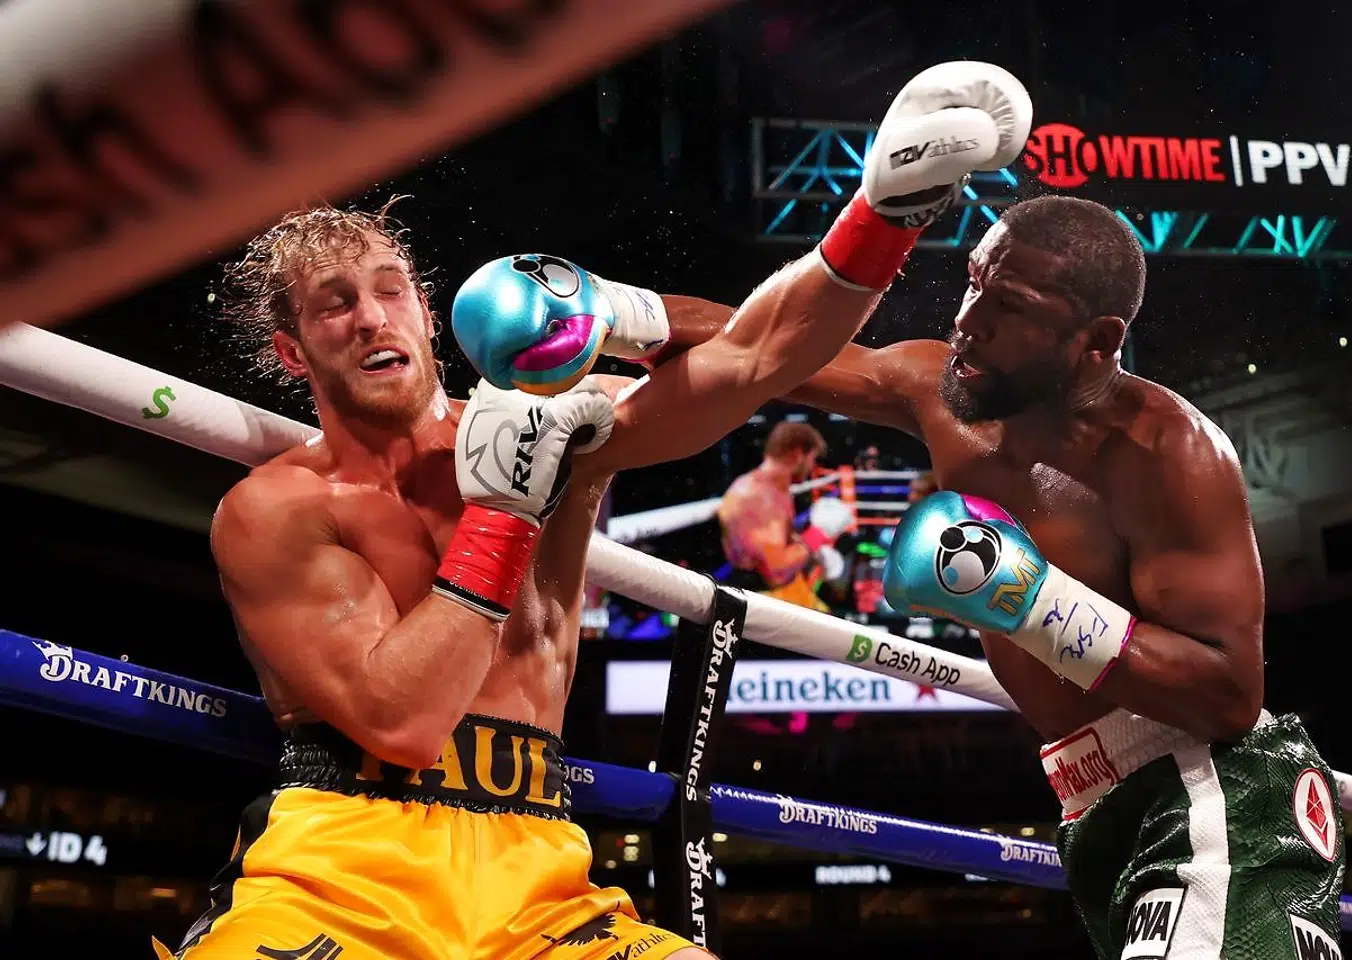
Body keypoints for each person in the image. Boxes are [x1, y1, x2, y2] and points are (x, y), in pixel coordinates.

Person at [160, 61, 1033, 960]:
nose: (371, 318)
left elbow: (752, 359)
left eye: (388, 290)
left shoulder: (557, 420)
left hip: (539, 878)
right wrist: (503, 511)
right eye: (335, 307)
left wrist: (880, 220)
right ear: (293, 351)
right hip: (336, 868)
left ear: (426, 313)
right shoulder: (271, 510)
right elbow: (402, 719)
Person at [645, 194, 1345, 960]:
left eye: (1007, 305)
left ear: (1097, 341)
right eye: (975, 282)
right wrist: (614, 315)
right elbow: (767, 348)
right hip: (1097, 805)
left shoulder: (1167, 455)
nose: (967, 320)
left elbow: (1230, 695)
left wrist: (1027, 597)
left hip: (1216, 799)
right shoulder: (938, 387)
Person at [717, 421, 852, 612]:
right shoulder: (759, 495)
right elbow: (776, 571)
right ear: (798, 455)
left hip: (781, 593)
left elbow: (780, 542)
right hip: (759, 600)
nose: (812, 467)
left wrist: (817, 553)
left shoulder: (778, 490)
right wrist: (817, 535)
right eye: (811, 459)